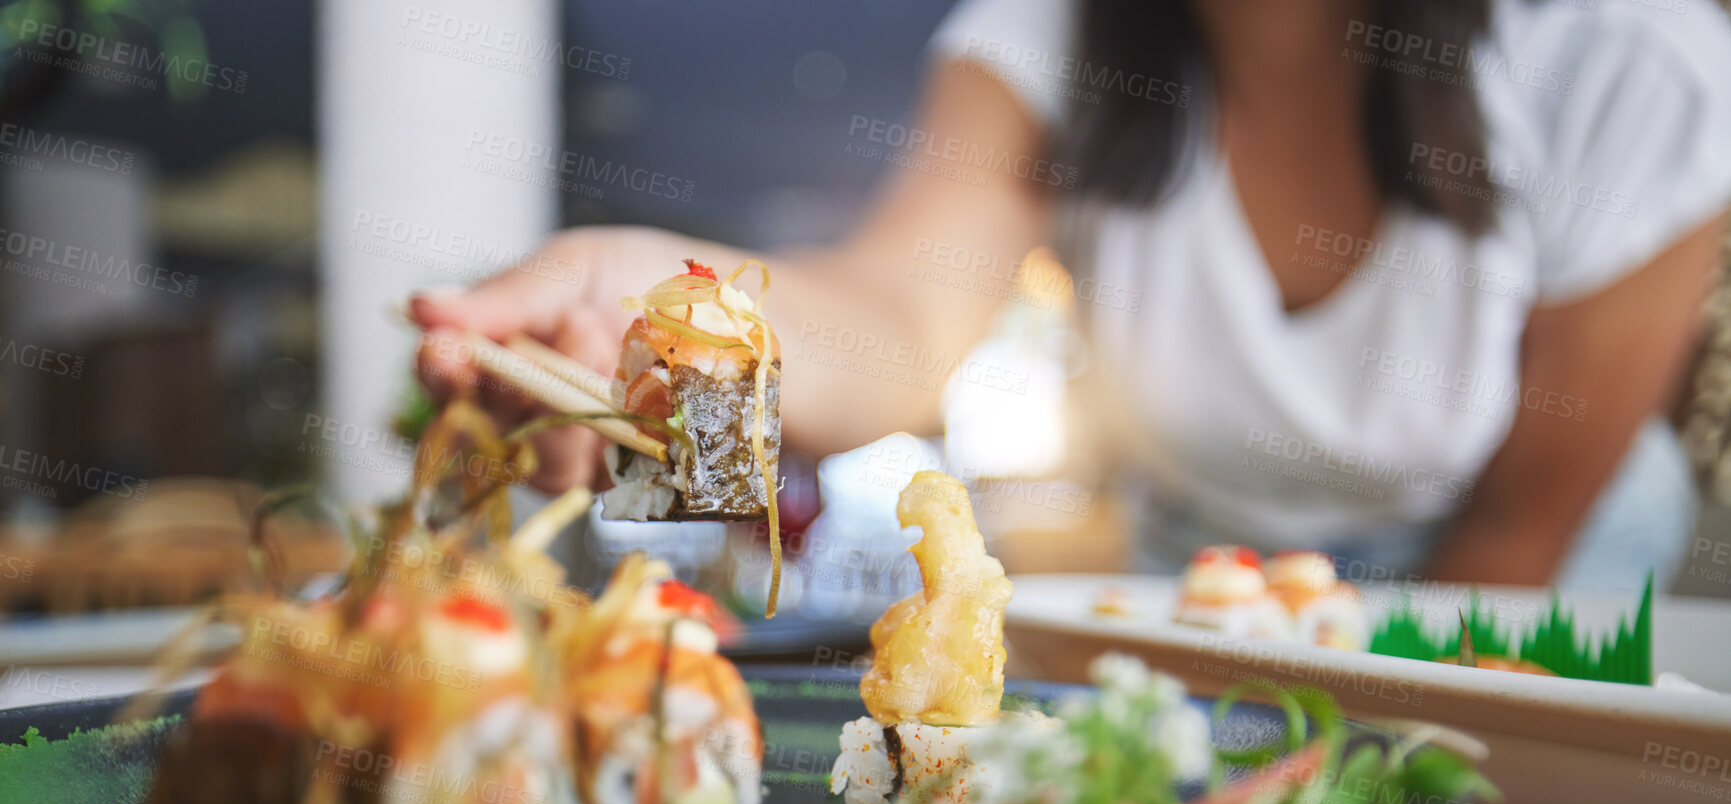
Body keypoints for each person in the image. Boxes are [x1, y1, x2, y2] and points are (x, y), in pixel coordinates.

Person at [413, 0, 1731, 592]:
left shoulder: (1633, 56)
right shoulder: (1050, 35)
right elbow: (897, 324)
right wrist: (664, 290)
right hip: (1213, 586)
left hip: (1527, 593)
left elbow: (1518, 538)